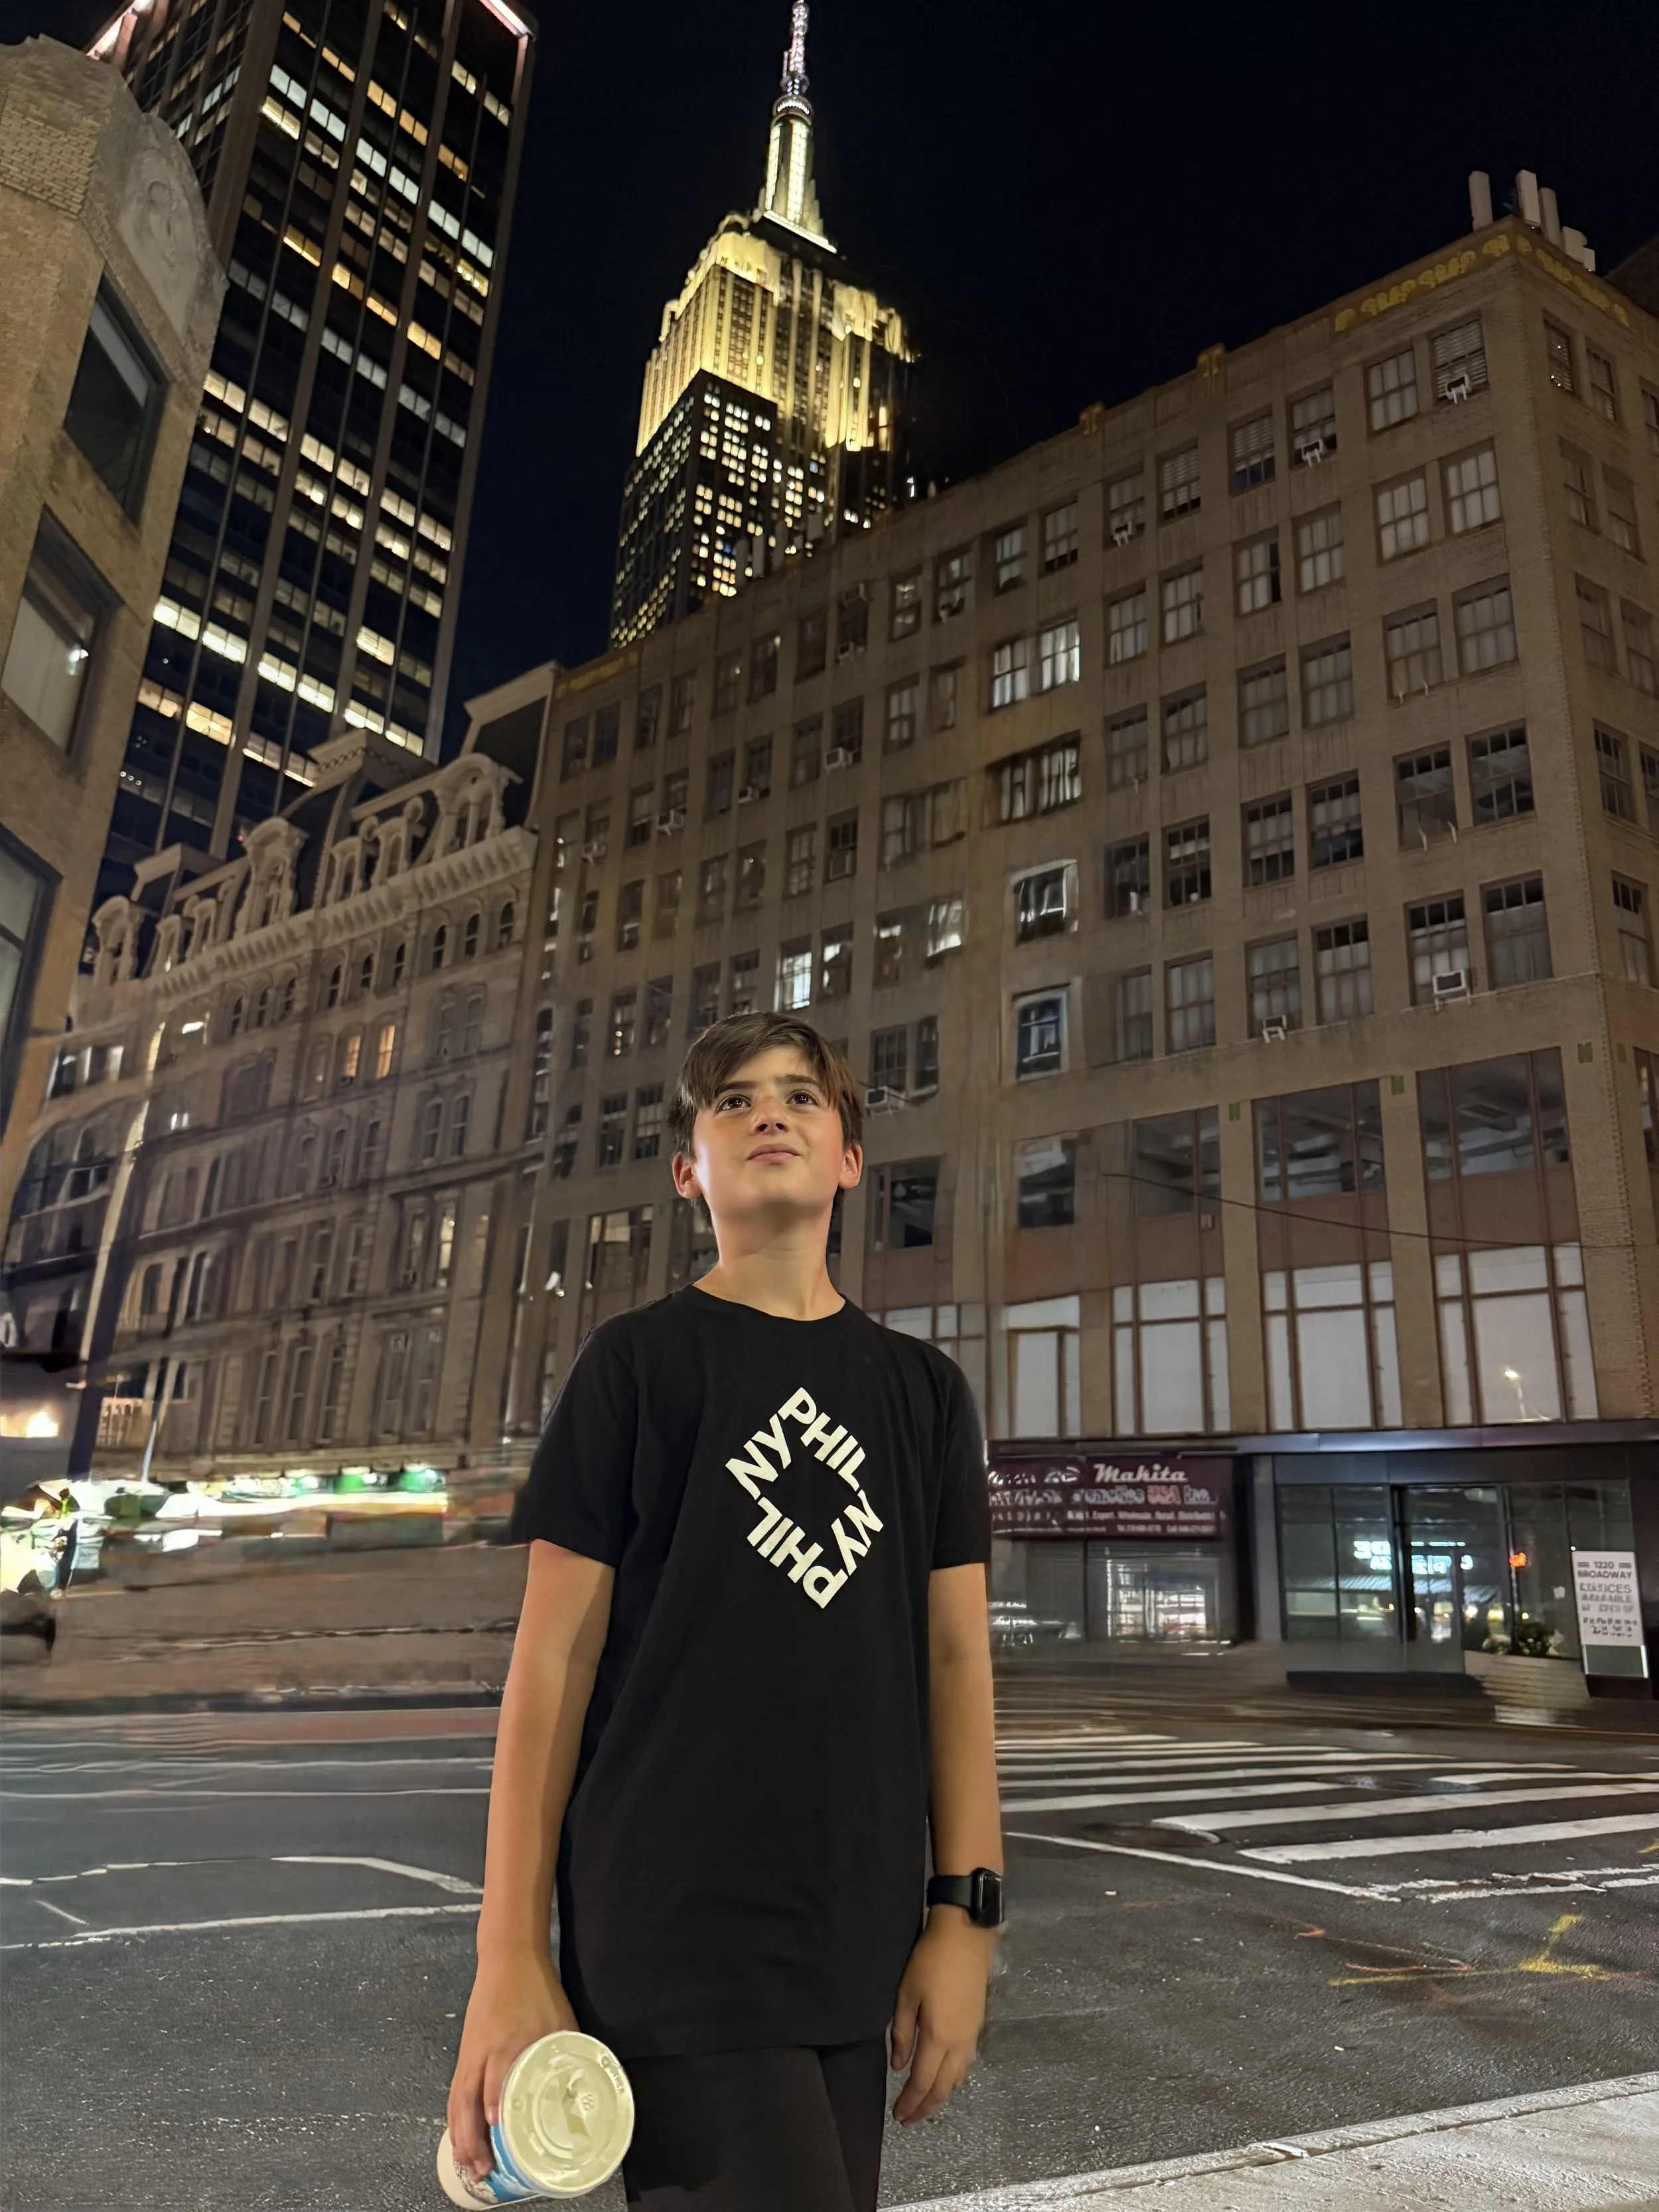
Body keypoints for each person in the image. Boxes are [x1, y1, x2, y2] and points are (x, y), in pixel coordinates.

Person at [447, 1012, 1003, 2211]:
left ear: (850, 1158)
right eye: (736, 1099)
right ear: (688, 1170)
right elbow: (550, 1666)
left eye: (804, 1098)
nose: (772, 1113)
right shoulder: (637, 1367)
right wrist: (510, 1958)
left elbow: (957, 1660)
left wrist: (965, 1914)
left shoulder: (925, 1395)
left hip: (853, 1932)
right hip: (673, 1928)